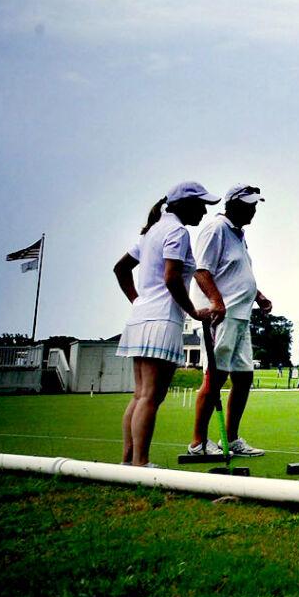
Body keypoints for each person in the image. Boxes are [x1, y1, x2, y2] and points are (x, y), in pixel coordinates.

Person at [111, 182, 221, 466]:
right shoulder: (177, 231)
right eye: (201, 205)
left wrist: (138, 301)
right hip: (162, 321)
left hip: (140, 318)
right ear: (185, 205)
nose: (204, 211)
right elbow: (171, 277)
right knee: (151, 396)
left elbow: (121, 269)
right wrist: (194, 312)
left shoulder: (151, 232)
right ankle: (140, 463)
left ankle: (128, 462)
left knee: (140, 395)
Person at [189, 184, 273, 458]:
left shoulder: (239, 235)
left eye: (255, 205)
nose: (253, 210)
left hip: (240, 316)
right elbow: (201, 271)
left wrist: (258, 296)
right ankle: (198, 443)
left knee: (244, 377)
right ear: (233, 205)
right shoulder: (216, 229)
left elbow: (237, 272)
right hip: (220, 317)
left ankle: (232, 438)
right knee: (215, 377)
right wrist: (217, 302)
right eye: (249, 205)